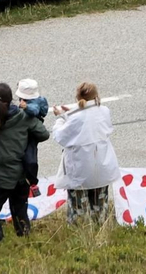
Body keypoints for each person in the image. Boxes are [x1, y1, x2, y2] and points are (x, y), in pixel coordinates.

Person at [50, 82, 118, 225]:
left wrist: (61, 118)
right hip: (101, 167)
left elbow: (60, 136)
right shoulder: (104, 111)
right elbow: (87, 121)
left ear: (77, 96)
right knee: (100, 206)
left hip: (79, 170)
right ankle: (102, 230)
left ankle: (81, 231)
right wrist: (70, 113)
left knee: (78, 207)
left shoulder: (75, 117)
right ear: (96, 95)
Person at [0, 82, 47, 241]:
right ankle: (24, 238)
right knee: (19, 209)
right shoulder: (23, 117)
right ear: (12, 100)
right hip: (21, 176)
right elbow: (44, 134)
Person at [10, 81, 46, 232]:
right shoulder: (41, 99)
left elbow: (34, 111)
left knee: (30, 159)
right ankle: (23, 230)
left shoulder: (33, 104)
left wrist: (25, 107)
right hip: (31, 133)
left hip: (30, 134)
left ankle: (32, 181)